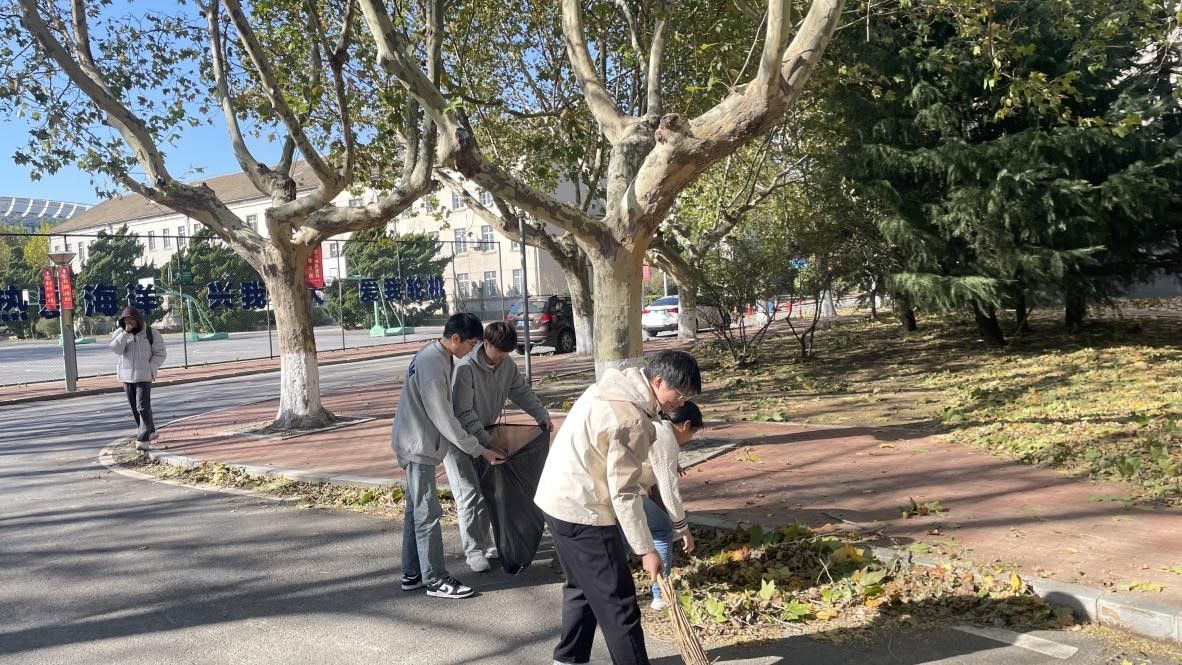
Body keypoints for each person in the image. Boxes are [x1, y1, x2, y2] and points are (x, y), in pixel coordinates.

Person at [535, 350, 702, 665]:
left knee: (582, 587)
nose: (679, 403)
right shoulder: (631, 418)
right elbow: (623, 493)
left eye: (686, 398)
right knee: (620, 604)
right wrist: (646, 550)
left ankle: (568, 660)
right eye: (679, 395)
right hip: (584, 511)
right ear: (658, 381)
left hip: (556, 498)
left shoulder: (612, 387)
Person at [391, 313, 505, 600]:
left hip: (417, 442)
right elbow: (445, 419)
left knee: (415, 511)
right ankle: (436, 580)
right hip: (418, 446)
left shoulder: (437, 355)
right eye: (471, 344)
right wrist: (480, 449)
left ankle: (412, 573)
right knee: (427, 514)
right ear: (456, 338)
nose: (472, 350)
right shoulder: (433, 364)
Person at [449, 321, 552, 573]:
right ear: (486, 344)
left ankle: (487, 544)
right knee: (469, 494)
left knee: (490, 490)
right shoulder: (465, 369)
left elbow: (521, 392)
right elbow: (463, 412)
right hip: (460, 438)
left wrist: (541, 415)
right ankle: (474, 551)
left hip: (487, 433)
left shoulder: (506, 364)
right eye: (500, 352)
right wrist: (487, 441)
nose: (503, 357)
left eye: (508, 353)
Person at [638, 401, 703, 611]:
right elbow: (669, 491)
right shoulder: (666, 438)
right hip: (627, 492)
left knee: (621, 541)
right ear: (686, 425)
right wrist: (683, 529)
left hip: (615, 488)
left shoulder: (657, 424)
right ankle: (661, 594)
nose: (689, 438)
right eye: (692, 433)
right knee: (662, 528)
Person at [108, 306, 167, 452]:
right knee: (135, 408)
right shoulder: (120, 333)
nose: (129, 324)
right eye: (126, 321)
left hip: (144, 376)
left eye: (132, 321)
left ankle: (143, 439)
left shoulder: (151, 333)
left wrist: (150, 367)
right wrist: (125, 333)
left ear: (138, 320)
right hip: (126, 377)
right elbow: (116, 349)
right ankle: (150, 431)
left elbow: (161, 353)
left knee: (142, 406)